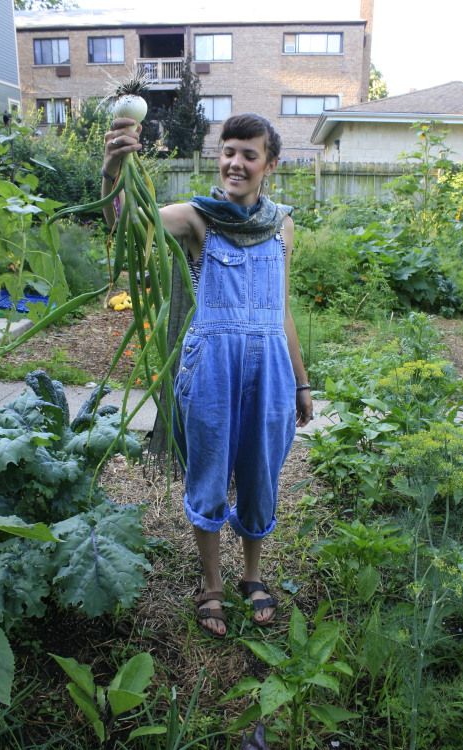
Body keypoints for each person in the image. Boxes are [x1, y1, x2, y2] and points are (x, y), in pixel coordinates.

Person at [102, 113, 313, 638]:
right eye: (228, 152)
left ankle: (252, 576)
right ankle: (212, 584)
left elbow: (280, 308)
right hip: (212, 367)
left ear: (270, 164)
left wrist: (302, 381)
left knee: (262, 476)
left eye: (248, 154)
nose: (235, 163)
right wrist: (113, 169)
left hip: (270, 369)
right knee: (210, 474)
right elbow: (129, 223)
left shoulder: (282, 224)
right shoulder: (199, 218)